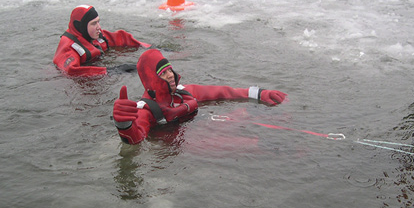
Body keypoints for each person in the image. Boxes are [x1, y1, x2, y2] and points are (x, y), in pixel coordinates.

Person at [112, 49, 288, 145]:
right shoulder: (146, 110)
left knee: (242, 113)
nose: (170, 75)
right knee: (247, 143)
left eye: (169, 70)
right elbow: (137, 137)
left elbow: (222, 92)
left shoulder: (183, 92)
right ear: (152, 80)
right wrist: (125, 125)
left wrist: (258, 93)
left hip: (200, 126)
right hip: (182, 144)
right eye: (163, 73)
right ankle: (273, 149)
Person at [53, 5, 151, 76]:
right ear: (80, 27)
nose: (98, 27)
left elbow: (121, 38)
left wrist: (149, 48)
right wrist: (112, 70)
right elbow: (71, 71)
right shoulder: (69, 49)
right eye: (93, 23)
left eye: (98, 22)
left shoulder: (93, 35)